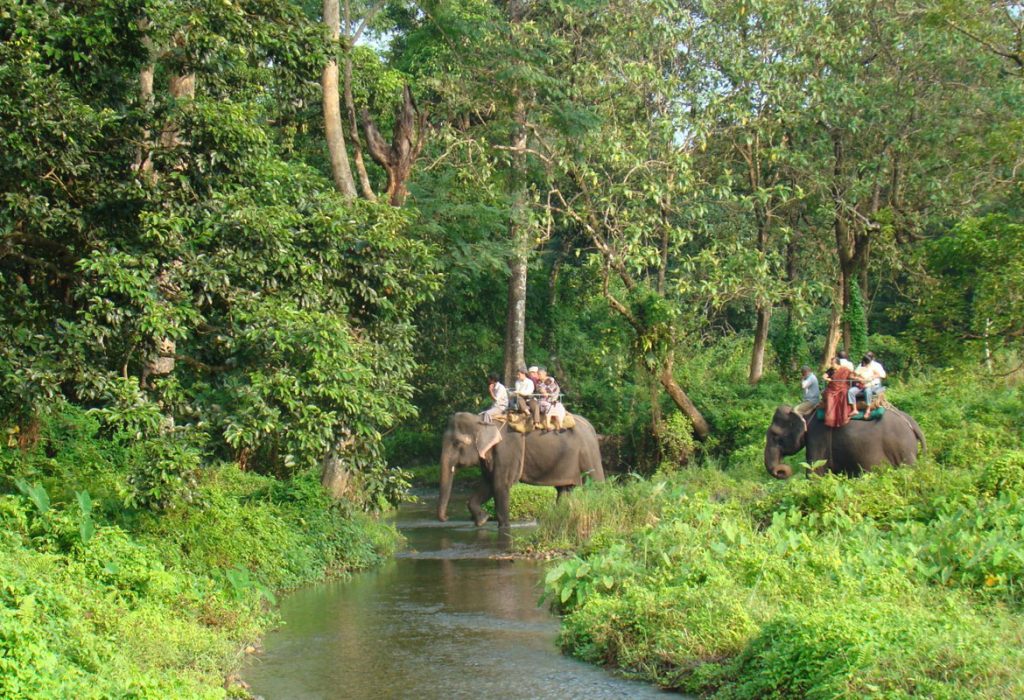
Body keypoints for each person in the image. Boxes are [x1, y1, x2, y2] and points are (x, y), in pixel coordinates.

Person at [823, 356, 854, 428]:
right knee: (828, 395)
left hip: (842, 387)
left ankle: (843, 417)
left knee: (844, 393)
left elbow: (851, 376)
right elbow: (824, 376)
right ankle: (831, 419)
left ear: (837, 363)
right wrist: (827, 378)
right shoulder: (831, 370)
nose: (831, 365)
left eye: (832, 363)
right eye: (831, 363)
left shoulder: (845, 370)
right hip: (832, 388)